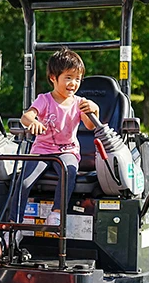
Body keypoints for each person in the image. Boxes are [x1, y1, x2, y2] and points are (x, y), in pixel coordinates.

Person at [12, 48, 99, 226]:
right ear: (53, 77)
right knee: (24, 181)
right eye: (68, 77)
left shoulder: (79, 103)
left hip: (68, 151)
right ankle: (14, 224)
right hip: (42, 150)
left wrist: (95, 109)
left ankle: (56, 214)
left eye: (77, 79)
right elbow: (26, 117)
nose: (73, 83)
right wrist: (33, 122)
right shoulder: (44, 100)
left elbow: (90, 125)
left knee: (69, 171)